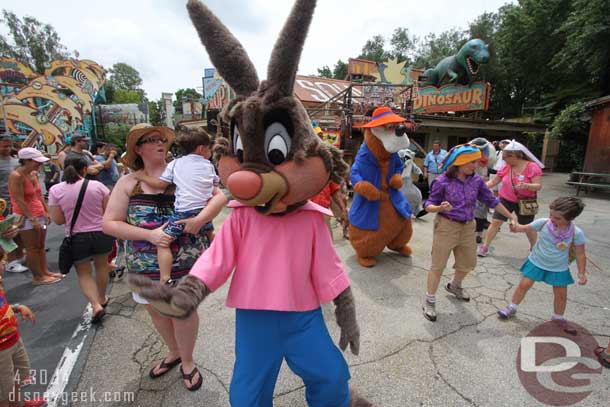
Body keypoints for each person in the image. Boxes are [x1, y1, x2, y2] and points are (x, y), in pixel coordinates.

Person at [102, 123, 226, 391]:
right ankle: (174, 351)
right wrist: (149, 236)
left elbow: (218, 197)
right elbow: (110, 223)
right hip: (143, 265)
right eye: (151, 139)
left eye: (162, 139)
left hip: (188, 263)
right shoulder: (129, 182)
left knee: (183, 312)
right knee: (158, 313)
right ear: (138, 148)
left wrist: (202, 218)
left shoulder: (182, 169)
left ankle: (188, 361)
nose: (160, 142)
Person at [422, 144, 515, 322]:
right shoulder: (442, 181)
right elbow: (428, 204)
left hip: (468, 226)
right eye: (472, 162)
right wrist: (439, 207)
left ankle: (454, 286)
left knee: (468, 262)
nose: (476, 165)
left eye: (477, 161)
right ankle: (430, 301)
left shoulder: (477, 180)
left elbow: (491, 200)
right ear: (460, 162)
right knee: (438, 265)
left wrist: (511, 216)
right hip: (446, 226)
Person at [133, 126, 222, 285]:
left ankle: (165, 278)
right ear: (201, 149)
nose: (210, 153)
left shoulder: (175, 164)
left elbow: (160, 184)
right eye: (210, 149)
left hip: (184, 213)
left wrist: (141, 176)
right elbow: (215, 184)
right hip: (204, 210)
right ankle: (217, 262)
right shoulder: (208, 165)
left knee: (164, 242)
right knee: (210, 234)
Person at [497, 197, 587, 334]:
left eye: (557, 218)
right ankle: (512, 307)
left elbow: (580, 254)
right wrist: (515, 228)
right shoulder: (544, 223)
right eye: (551, 215)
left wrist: (581, 273)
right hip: (537, 261)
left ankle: (557, 317)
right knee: (524, 285)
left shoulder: (576, 233)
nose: (552, 219)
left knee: (561, 294)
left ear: (570, 218)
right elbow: (524, 228)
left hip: (559, 267)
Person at [48, 156, 113, 323]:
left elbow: (58, 220)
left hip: (77, 238)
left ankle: (95, 305)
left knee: (84, 273)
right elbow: (109, 211)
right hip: (101, 233)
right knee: (101, 266)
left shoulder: (55, 190)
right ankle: (102, 298)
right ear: (85, 169)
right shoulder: (98, 186)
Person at [479, 140, 544, 257]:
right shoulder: (506, 167)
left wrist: (527, 185)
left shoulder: (532, 167)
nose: (503, 160)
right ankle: (485, 246)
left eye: (505, 157)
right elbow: (494, 181)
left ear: (515, 156)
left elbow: (538, 186)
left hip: (525, 201)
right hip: (506, 199)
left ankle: (534, 247)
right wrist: (479, 188)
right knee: (496, 222)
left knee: (528, 226)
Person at [8, 148, 62, 285]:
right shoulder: (16, 176)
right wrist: (32, 218)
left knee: (40, 246)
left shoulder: (33, 174)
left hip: (38, 214)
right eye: (36, 162)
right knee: (31, 248)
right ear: (26, 160)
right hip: (26, 217)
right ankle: (38, 277)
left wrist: (46, 211)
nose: (39, 165)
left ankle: (45, 272)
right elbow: (19, 200)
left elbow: (38, 195)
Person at [0, 138, 27, 274]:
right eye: (4, 146)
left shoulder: (15, 161)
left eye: (9, 146)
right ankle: (11, 262)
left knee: (18, 231)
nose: (8, 148)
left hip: (15, 201)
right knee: (7, 233)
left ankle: (20, 256)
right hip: (2, 204)